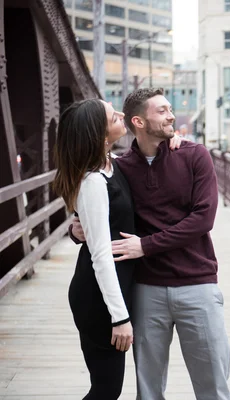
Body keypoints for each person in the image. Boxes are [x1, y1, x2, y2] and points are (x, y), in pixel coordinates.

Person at [71, 88, 230, 400]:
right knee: (148, 390)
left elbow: (203, 219)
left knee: (213, 386)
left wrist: (145, 246)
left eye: (170, 108)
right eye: (162, 110)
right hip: (145, 290)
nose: (172, 116)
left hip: (197, 284)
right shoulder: (120, 167)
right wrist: (77, 231)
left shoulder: (195, 155)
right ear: (139, 121)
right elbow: (100, 206)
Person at [53, 99, 136, 399]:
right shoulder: (93, 182)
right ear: (100, 134)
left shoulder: (110, 163)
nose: (123, 115)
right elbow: (101, 256)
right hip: (98, 300)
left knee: (106, 388)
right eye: (115, 116)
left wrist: (174, 139)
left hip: (106, 294)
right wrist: (120, 318)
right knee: (106, 391)